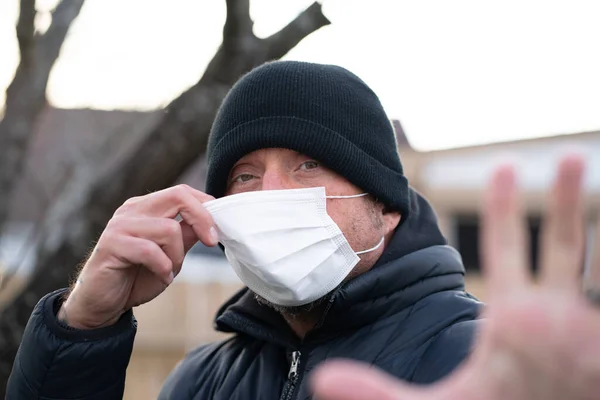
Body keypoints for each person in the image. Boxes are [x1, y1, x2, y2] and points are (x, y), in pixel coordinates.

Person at [6, 61, 599, 400]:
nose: (270, 197)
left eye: (307, 166)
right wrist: (81, 329)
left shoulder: (490, 357)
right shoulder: (202, 381)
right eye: (244, 176)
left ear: (386, 205)